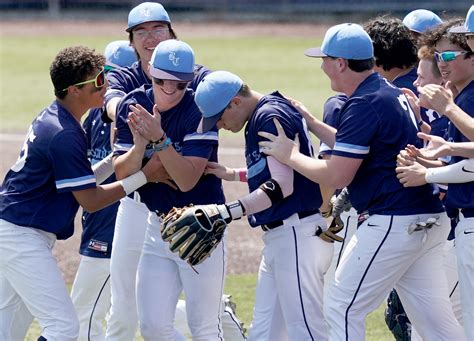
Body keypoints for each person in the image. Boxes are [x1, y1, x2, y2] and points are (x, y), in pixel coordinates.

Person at [257, 23, 466, 340]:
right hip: (427, 219)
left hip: (395, 221)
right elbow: (359, 149)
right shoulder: (388, 92)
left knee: (340, 307)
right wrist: (313, 124)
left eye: (325, 59)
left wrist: (290, 155)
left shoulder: (363, 102)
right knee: (437, 324)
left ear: (340, 63)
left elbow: (337, 174)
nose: (323, 67)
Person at [0, 46, 158, 341]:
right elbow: (91, 199)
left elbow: (81, 180)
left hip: (15, 230)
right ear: (74, 90)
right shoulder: (64, 133)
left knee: (7, 328)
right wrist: (144, 176)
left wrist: (121, 156)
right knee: (63, 327)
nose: (106, 86)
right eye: (98, 81)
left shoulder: (59, 118)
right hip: (20, 237)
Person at [185, 70, 335, 340]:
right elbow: (277, 171)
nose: (219, 125)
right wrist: (232, 174)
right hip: (285, 236)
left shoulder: (268, 117)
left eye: (218, 117)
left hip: (296, 234)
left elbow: (281, 186)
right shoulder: (264, 112)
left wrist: (227, 212)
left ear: (235, 102)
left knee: (307, 331)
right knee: (264, 334)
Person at [103, 3, 211, 339]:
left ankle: (223, 311)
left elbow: (224, 96)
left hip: (188, 205)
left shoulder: (195, 71)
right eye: (141, 32)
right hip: (137, 202)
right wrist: (135, 112)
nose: (150, 38)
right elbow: (111, 103)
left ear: (171, 32)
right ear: (132, 41)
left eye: (158, 29)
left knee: (202, 311)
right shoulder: (124, 75)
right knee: (123, 304)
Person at [398, 19, 474, 340]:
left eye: (448, 56)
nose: (440, 64)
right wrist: (430, 152)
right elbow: (461, 157)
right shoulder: (463, 96)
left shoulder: (466, 100)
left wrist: (425, 173)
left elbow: (471, 166)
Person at [69, 40, 136, 341]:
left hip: (112, 221)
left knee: (85, 310)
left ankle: (217, 317)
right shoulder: (94, 114)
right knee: (125, 299)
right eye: (103, 75)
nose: (106, 83)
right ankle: (220, 316)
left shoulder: (131, 115)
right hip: (98, 215)